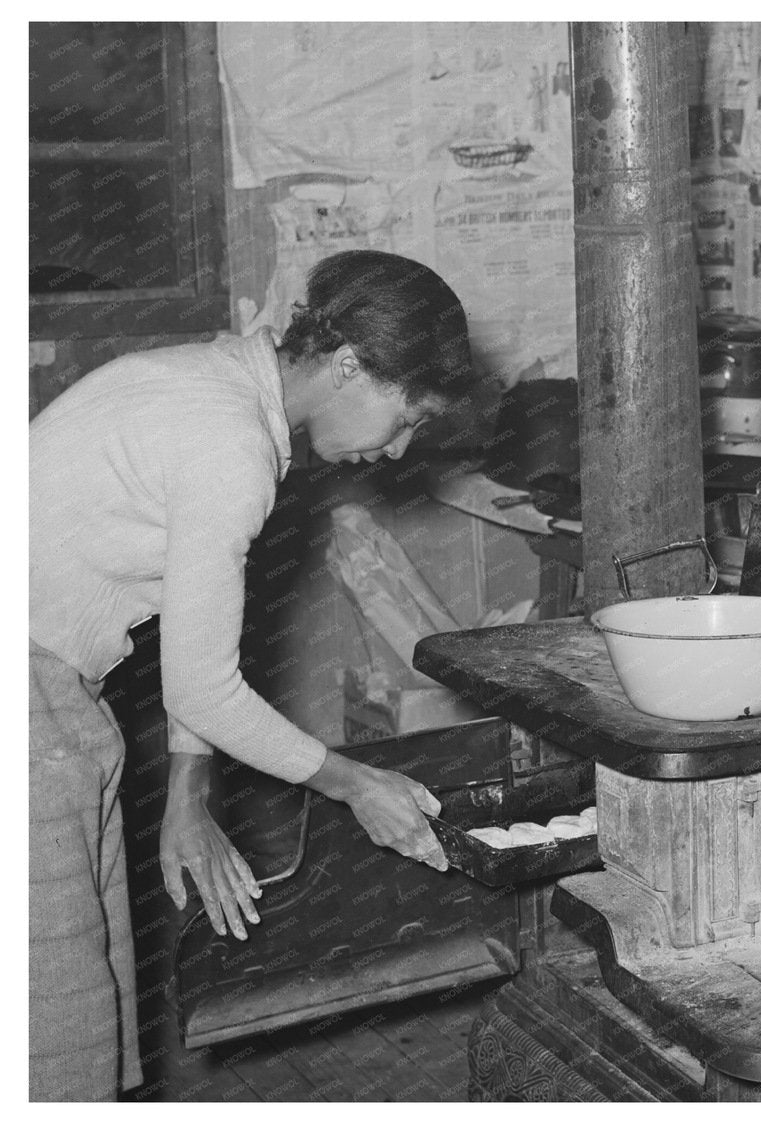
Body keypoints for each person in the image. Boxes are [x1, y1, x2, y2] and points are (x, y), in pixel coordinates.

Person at [30, 249, 478, 1100]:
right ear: (349, 366)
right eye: (407, 417)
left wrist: (188, 796)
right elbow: (204, 690)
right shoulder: (229, 445)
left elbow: (192, 635)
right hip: (28, 700)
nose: (398, 450)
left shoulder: (219, 384)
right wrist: (356, 784)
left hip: (55, 696)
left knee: (92, 995)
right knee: (49, 1028)